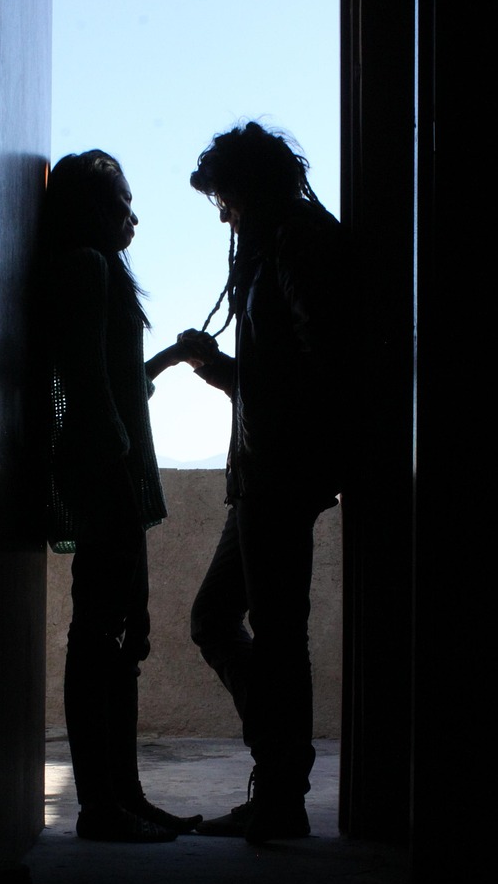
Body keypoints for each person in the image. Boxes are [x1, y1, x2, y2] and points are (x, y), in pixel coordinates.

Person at [176, 122, 352, 844]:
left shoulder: (294, 242)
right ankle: (279, 773)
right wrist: (219, 368)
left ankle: (280, 788)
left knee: (269, 632)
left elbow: (322, 366)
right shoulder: (285, 243)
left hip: (277, 471)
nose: (223, 215)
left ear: (247, 189)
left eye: (225, 199)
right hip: (265, 469)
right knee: (229, 623)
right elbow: (282, 374)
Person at [43, 149, 201, 841]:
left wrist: (166, 360)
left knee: (119, 638)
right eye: (122, 203)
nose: (132, 217)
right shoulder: (88, 265)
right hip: (105, 474)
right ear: (92, 208)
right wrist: (117, 477)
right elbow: (89, 387)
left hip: (106, 471)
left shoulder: (92, 267)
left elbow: (113, 381)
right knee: (103, 637)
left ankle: (122, 797)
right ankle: (103, 805)